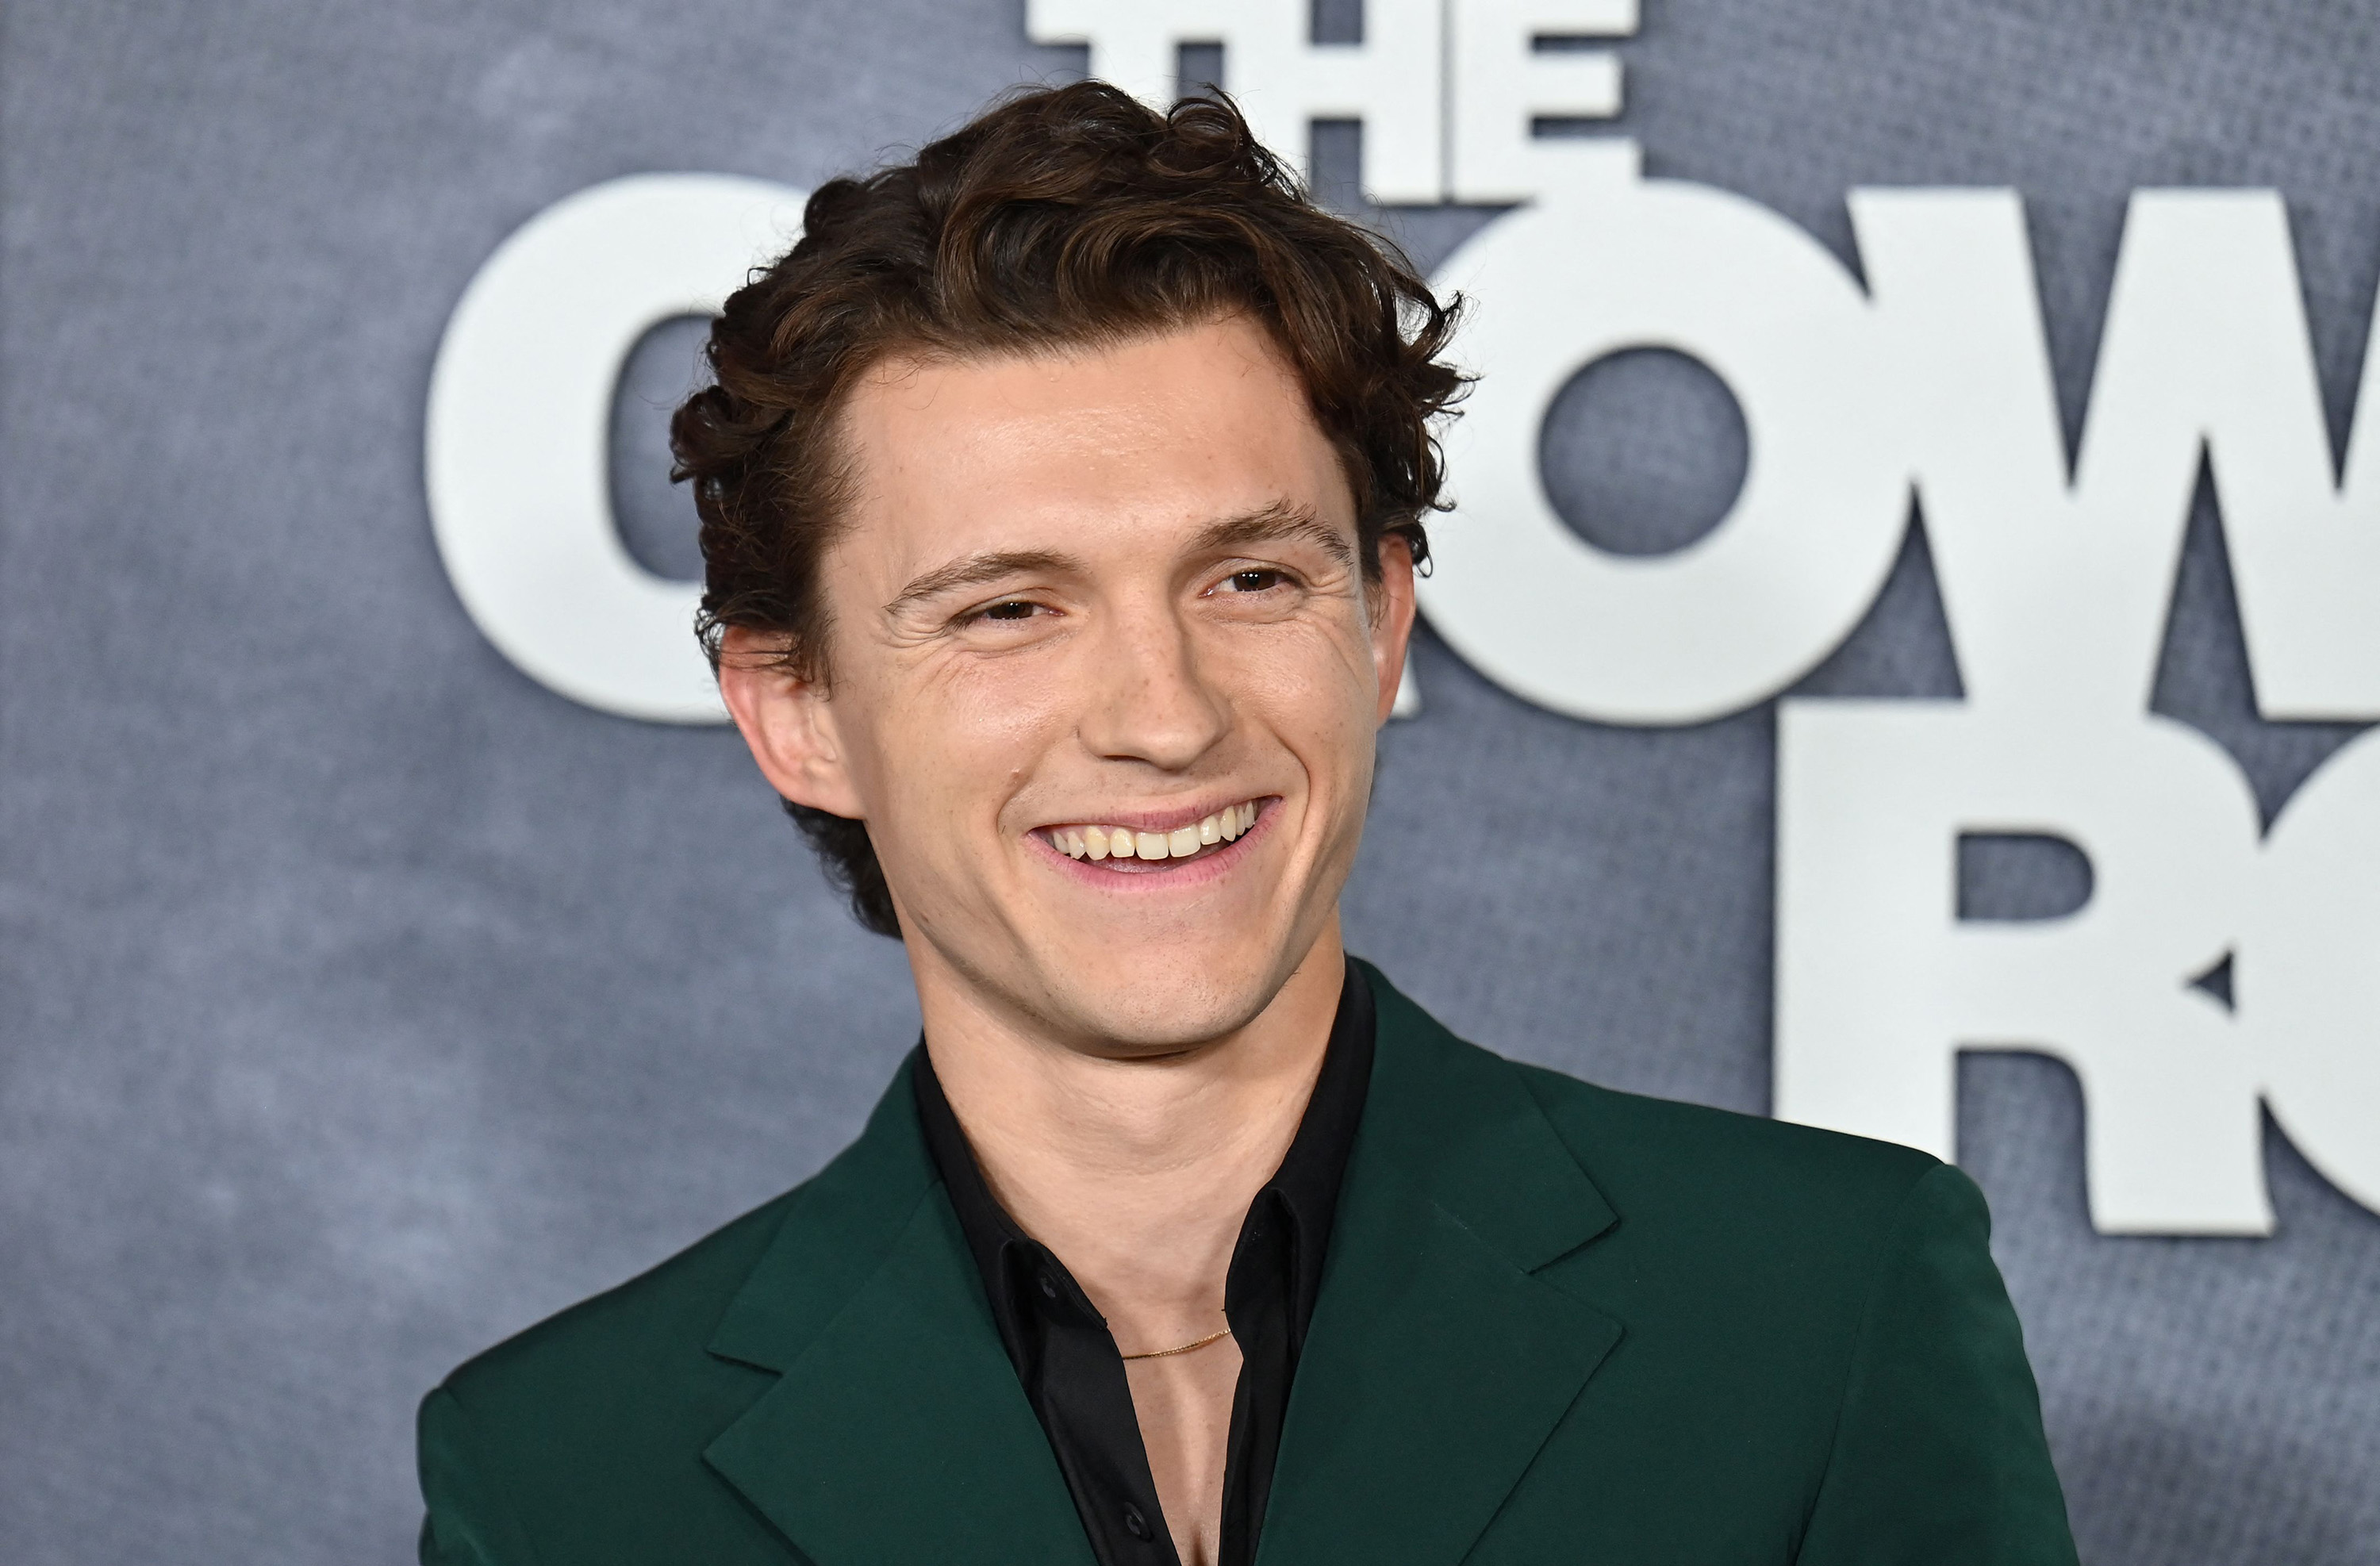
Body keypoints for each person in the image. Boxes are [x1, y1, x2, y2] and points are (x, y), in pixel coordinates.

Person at [415, 82, 2079, 1566]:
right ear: (800, 712)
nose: (1166, 715)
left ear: (1381, 624)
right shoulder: (570, 1479)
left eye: (1251, 577)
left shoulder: (1821, 1306)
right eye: (1007, 610)